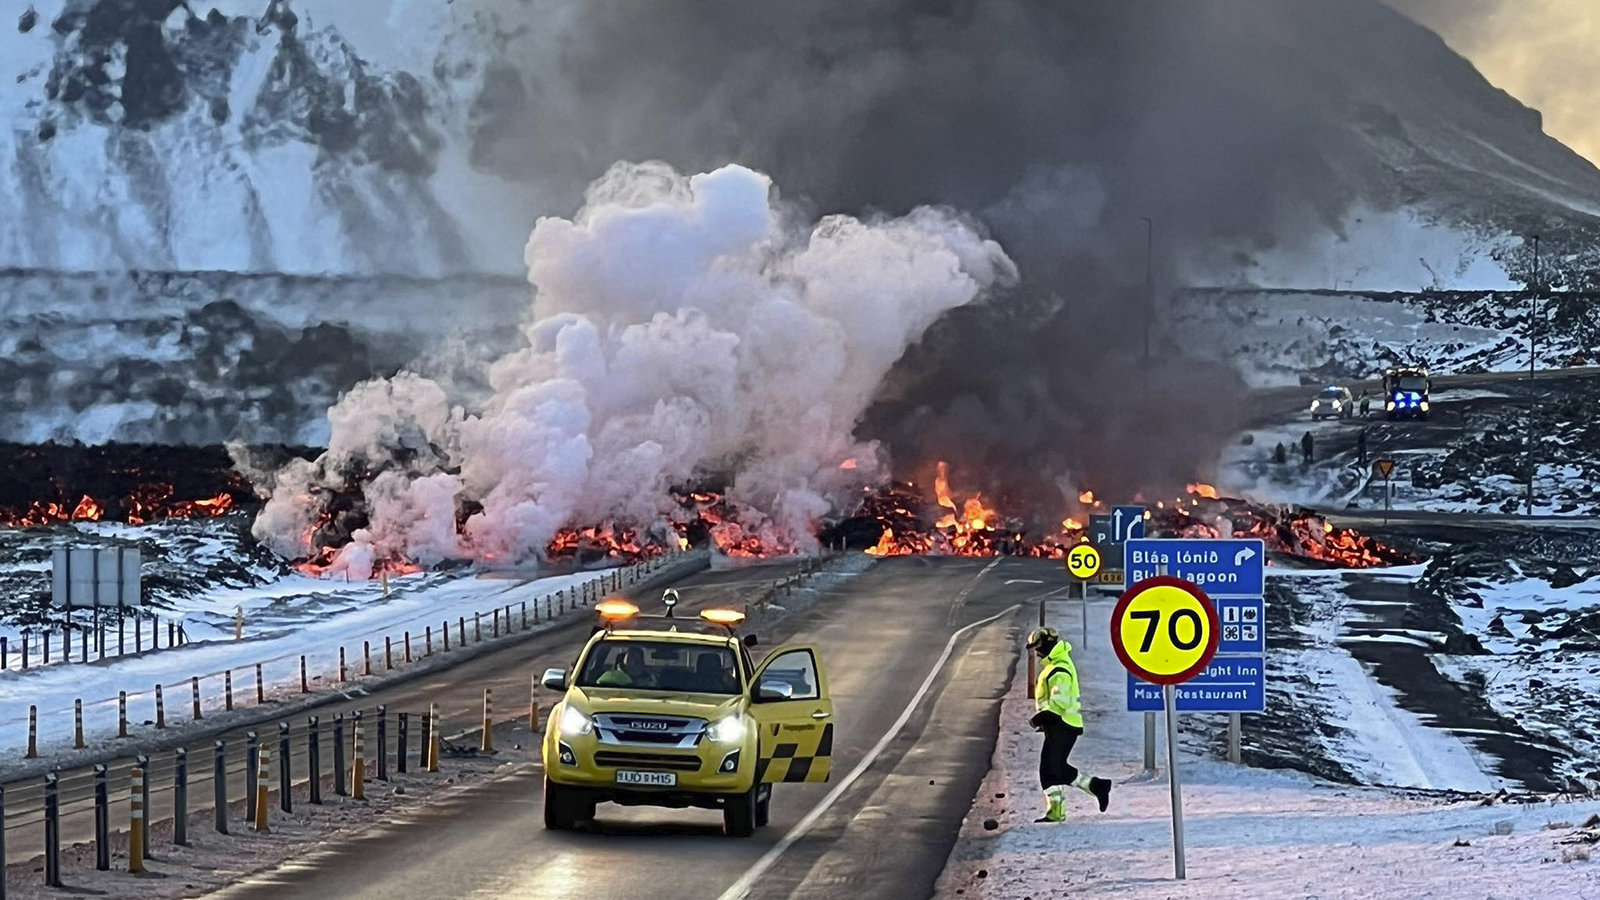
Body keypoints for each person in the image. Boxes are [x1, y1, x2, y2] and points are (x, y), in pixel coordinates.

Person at [1026, 627, 1111, 822]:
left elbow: (1060, 700)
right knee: (1055, 768)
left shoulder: (1060, 668)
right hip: (1059, 725)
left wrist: (1042, 717)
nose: (1037, 653)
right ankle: (1096, 787)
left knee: (1049, 770)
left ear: (1047, 645)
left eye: (1038, 648)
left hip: (1062, 724)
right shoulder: (1056, 664)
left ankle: (1060, 809)